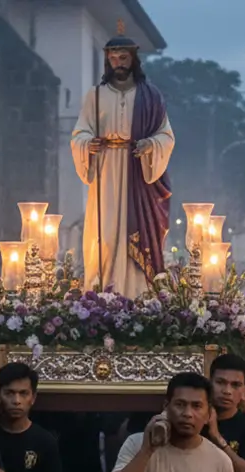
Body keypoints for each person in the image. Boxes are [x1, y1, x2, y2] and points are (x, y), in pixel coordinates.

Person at [70, 19, 175, 298]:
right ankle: (102, 292)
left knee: (135, 229)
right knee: (105, 234)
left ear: (133, 60)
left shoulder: (151, 96)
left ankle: (136, 292)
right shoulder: (94, 95)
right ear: (107, 60)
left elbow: (166, 136)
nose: (118, 62)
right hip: (105, 171)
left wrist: (150, 145)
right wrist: (86, 144)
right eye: (113, 57)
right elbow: (79, 132)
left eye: (123, 57)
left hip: (137, 172)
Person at [106, 372, 235, 472]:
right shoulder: (137, 444)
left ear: (208, 414)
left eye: (196, 406)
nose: (187, 414)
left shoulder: (220, 462)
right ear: (166, 407)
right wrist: (146, 450)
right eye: (180, 404)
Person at [0, 363, 64, 472]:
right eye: (9, 393)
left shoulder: (45, 441)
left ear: (33, 398)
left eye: (23, 393)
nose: (16, 401)